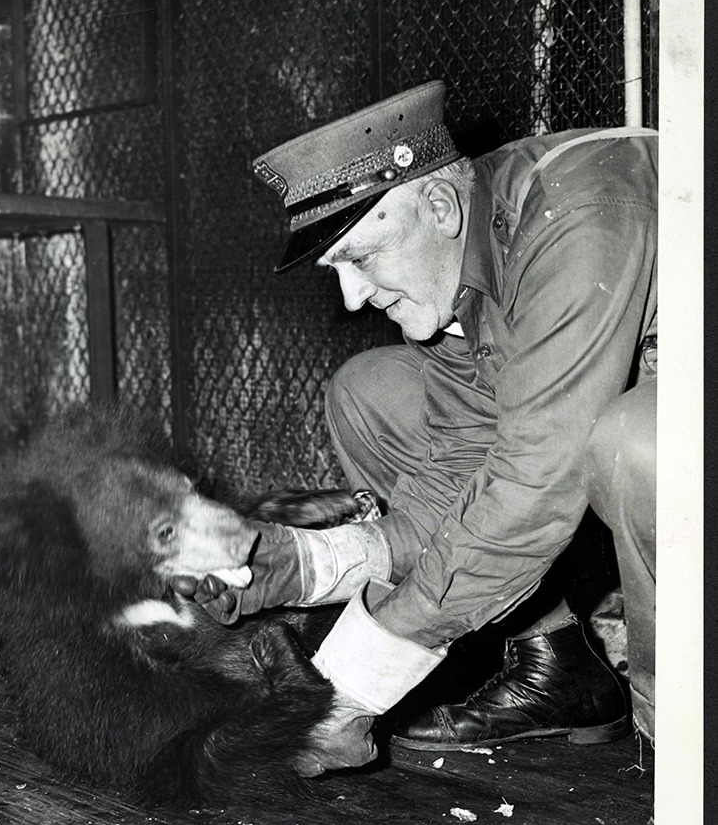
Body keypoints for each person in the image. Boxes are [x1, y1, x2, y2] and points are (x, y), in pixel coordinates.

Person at [177, 80, 657, 778]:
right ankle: (557, 668)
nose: (352, 297)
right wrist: (311, 563)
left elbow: (532, 488)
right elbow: (459, 474)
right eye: (337, 267)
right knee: (370, 391)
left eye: (362, 257)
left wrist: (349, 690)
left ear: (437, 204)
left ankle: (683, 749)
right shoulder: (464, 258)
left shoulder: (576, 218)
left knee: (644, 445)